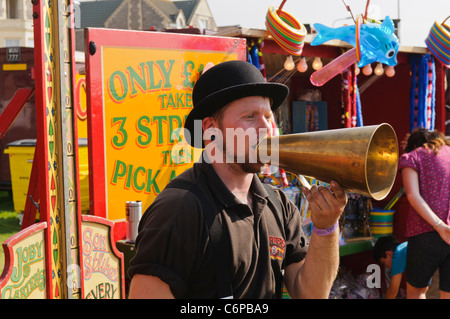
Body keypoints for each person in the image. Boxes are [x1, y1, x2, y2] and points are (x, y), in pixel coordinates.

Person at [127, 60, 347, 299]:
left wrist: (326, 227)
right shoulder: (178, 210)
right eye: (250, 116)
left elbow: (311, 294)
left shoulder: (279, 204)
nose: (266, 128)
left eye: (268, 117)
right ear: (211, 129)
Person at [398, 127, 450, 299]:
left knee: (416, 291)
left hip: (423, 232)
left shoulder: (412, 157)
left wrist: (440, 226)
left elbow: (412, 195)